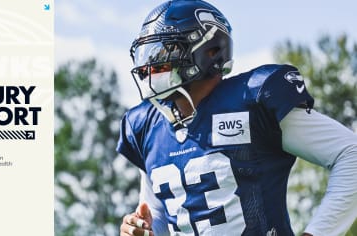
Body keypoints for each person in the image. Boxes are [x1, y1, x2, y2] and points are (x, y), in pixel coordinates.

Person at [116, 0, 357, 235]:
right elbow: (163, 215)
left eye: (167, 50)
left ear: (210, 51)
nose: (152, 65)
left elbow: (351, 154)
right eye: (150, 53)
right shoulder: (145, 125)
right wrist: (142, 228)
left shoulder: (252, 98)